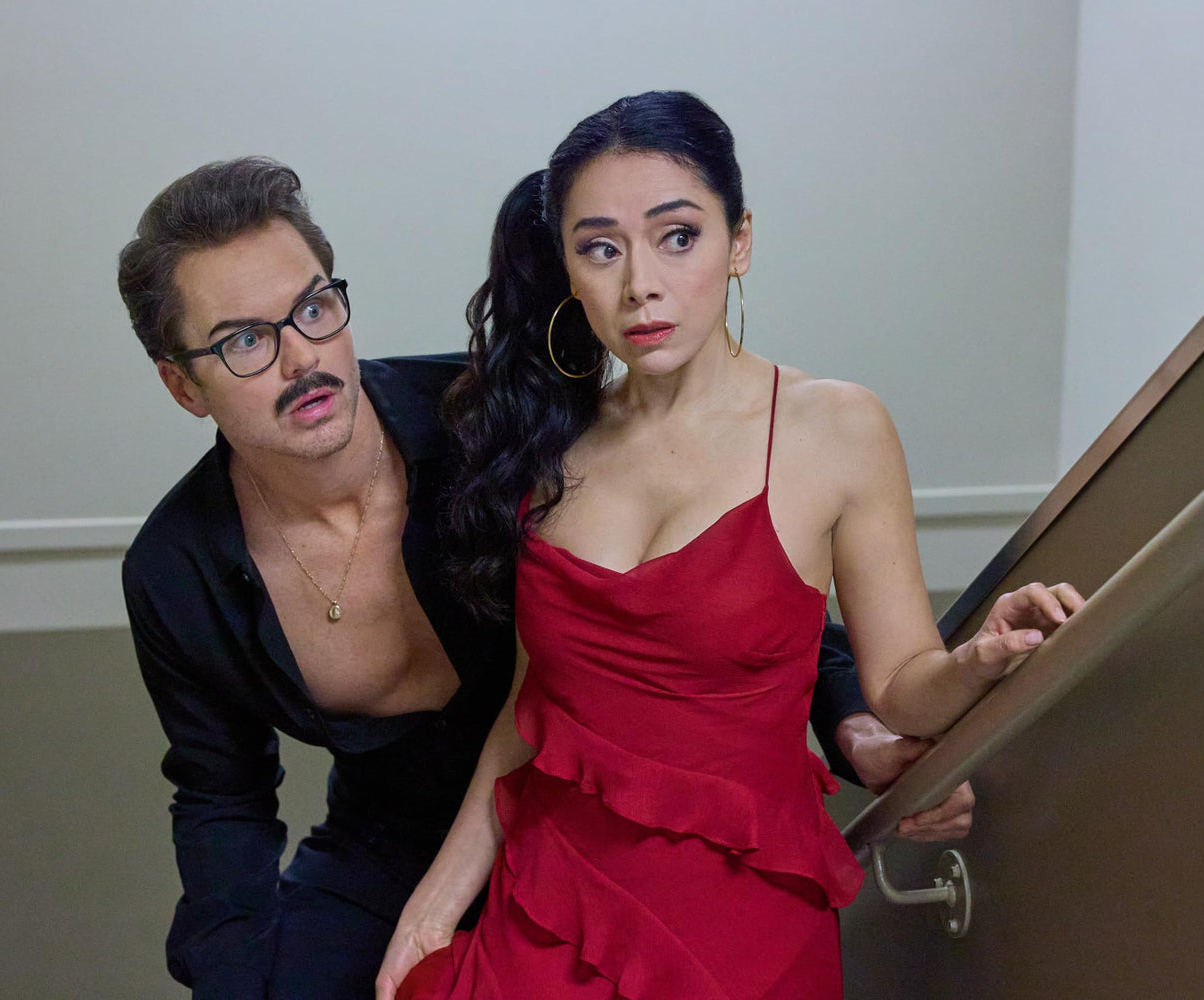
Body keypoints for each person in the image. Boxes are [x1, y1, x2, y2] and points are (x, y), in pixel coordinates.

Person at [116, 156, 970, 1000]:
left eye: (313, 308)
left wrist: (855, 723)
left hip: (591, 820)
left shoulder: (488, 416)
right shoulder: (173, 572)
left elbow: (714, 601)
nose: (301, 357)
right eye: (244, 341)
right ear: (181, 385)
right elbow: (221, 799)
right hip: (388, 849)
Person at [379, 93, 1082, 1000]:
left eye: (678, 236)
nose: (641, 284)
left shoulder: (837, 429)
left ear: (739, 242)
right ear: (568, 268)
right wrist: (432, 908)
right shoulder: (547, 443)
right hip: (548, 910)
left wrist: (978, 661)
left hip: (741, 934)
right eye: (601, 248)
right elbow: (532, 707)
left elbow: (903, 686)